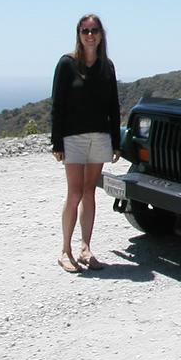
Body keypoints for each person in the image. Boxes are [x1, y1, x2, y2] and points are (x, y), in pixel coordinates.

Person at [51, 14, 121, 273]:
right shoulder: (67, 64)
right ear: (78, 34)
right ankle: (65, 251)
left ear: (101, 35)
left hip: (100, 136)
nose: (89, 35)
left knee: (90, 192)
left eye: (94, 30)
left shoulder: (107, 66)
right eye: (85, 31)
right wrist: (57, 141)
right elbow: (57, 104)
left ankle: (85, 248)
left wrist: (116, 141)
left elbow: (114, 105)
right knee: (75, 192)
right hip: (73, 138)